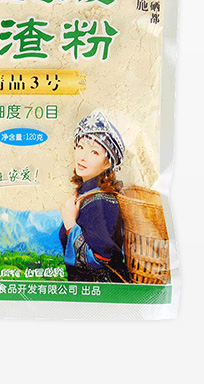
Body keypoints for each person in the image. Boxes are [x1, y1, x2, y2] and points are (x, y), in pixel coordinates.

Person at [59, 110, 130, 283]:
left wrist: (70, 225)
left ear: (107, 163)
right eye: (80, 147)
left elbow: (100, 259)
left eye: (94, 152)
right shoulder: (87, 195)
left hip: (105, 294)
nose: (82, 157)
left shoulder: (101, 202)